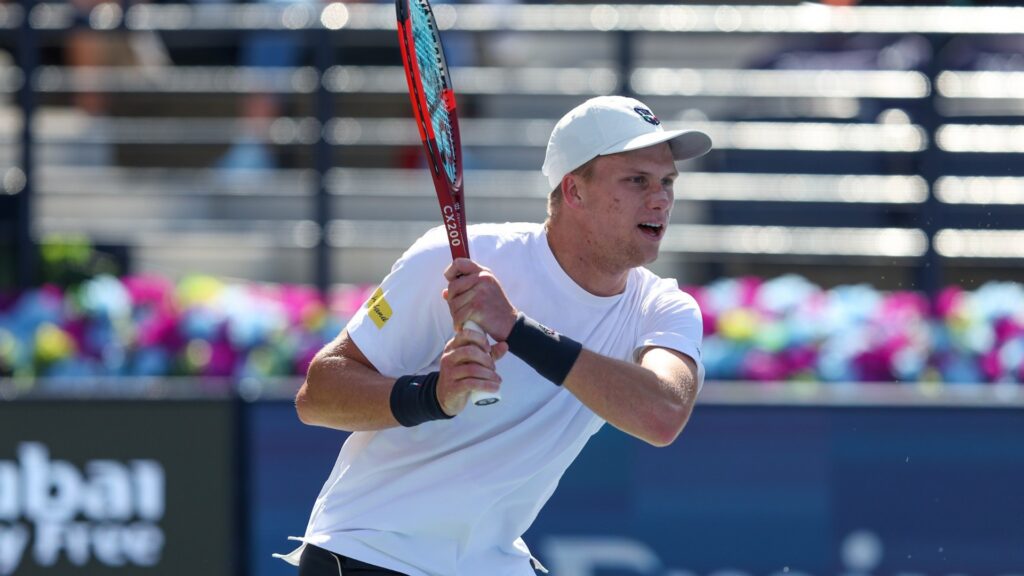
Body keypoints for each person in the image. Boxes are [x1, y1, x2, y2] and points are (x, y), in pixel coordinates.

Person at [277, 95, 713, 575]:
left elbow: (663, 414)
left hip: (489, 561)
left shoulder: (665, 307)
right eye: (637, 180)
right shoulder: (453, 258)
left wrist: (517, 329)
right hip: (368, 550)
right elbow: (317, 394)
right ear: (574, 191)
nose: (661, 199)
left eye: (667, 181)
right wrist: (432, 396)